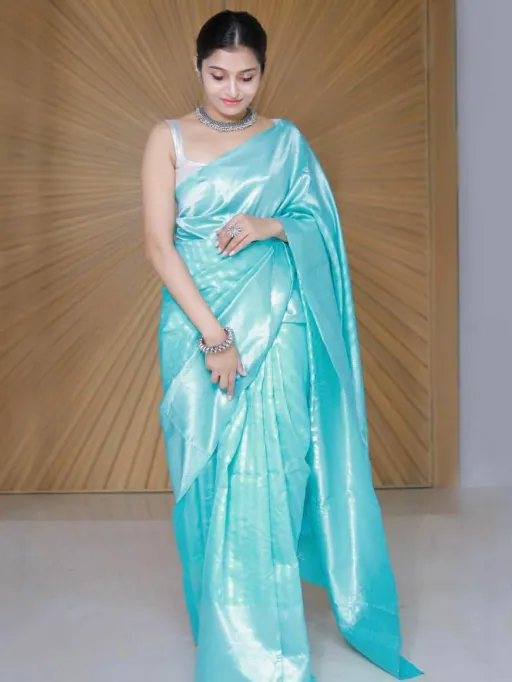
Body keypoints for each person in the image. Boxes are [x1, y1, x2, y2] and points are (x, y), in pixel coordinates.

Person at [142, 9, 422, 682]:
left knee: (277, 469)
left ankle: (267, 644)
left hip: (280, 319)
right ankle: (227, 630)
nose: (232, 91)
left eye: (246, 77)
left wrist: (272, 225)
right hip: (197, 325)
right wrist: (215, 337)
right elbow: (157, 245)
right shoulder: (167, 138)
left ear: (263, 72)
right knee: (206, 472)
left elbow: (318, 224)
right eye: (218, 75)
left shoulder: (286, 142)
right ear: (197, 68)